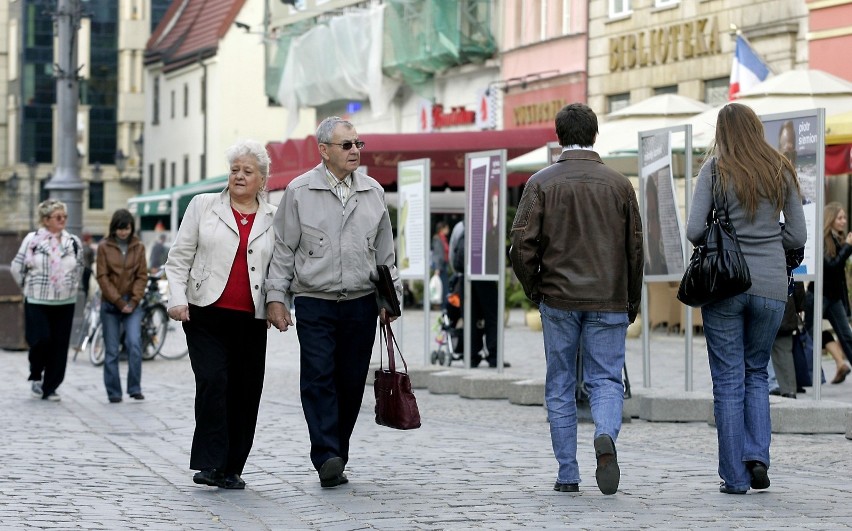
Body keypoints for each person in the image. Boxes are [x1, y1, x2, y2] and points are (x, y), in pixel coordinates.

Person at [509, 102, 643, 495]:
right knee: (605, 378)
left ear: (558, 135)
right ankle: (604, 434)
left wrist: (536, 288)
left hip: (558, 299)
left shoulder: (541, 183)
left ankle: (568, 473)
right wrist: (631, 300)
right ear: (596, 135)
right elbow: (635, 249)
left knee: (561, 382)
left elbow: (520, 245)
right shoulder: (620, 185)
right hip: (608, 298)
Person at [265, 116, 402, 489]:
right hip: (315, 301)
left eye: (358, 144)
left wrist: (390, 300)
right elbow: (282, 250)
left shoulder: (373, 192)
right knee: (318, 377)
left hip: (360, 302)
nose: (355, 150)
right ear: (323, 150)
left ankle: (337, 452)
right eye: (347, 145)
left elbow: (386, 256)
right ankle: (326, 454)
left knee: (352, 381)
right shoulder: (298, 191)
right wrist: (276, 298)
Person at [686, 103, 806, 495]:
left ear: (721, 132)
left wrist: (724, 242)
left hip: (725, 285)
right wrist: (769, 242)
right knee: (756, 372)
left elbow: (692, 230)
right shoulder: (780, 169)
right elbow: (798, 237)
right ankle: (757, 458)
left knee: (727, 380)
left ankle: (734, 478)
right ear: (757, 129)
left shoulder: (715, 170)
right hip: (771, 286)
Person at [164, 139, 278, 490]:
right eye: (234, 170)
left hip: (251, 317)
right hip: (205, 312)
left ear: (262, 178)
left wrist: (278, 302)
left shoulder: (274, 217)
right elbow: (179, 256)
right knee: (214, 382)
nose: (239, 176)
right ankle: (211, 463)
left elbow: (281, 267)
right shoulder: (203, 206)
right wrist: (177, 298)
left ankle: (232, 468)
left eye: (247, 171)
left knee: (245, 391)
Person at [10, 199, 84, 401]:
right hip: (37, 299)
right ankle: (36, 374)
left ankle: (50, 387)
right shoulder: (32, 241)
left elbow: (79, 267)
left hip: (65, 301)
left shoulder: (73, 242)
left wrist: (71, 286)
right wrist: (27, 288)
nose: (63, 220)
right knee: (41, 339)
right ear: (45, 220)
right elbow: (17, 267)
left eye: (65, 217)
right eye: (58, 217)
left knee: (59, 346)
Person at [95, 209, 148, 403]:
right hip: (110, 304)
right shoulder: (103, 247)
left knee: (134, 344)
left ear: (131, 228)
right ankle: (114, 392)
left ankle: (134, 388)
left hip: (132, 303)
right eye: (120, 229)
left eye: (126, 229)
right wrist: (118, 301)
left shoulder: (138, 247)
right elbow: (102, 276)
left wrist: (133, 301)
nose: (124, 233)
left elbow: (142, 275)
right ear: (114, 228)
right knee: (111, 350)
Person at [805, 202, 852, 385]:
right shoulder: (823, 239)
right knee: (811, 332)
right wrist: (848, 247)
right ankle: (837, 364)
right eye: (840, 218)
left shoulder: (838, 239)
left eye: (844, 218)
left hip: (833, 298)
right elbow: (831, 267)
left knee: (846, 335)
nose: (843, 221)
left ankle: (841, 363)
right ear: (830, 219)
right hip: (818, 295)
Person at [448, 220, 506, 368]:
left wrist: (459, 274)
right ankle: (494, 357)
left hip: (465, 277)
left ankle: (471, 356)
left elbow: (452, 254)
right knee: (492, 316)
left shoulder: (460, 226)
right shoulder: (491, 223)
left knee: (469, 317)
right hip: (486, 275)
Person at [769, 282, 804, 398]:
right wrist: (798, 306)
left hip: (758, 304)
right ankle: (789, 391)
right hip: (785, 307)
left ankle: (769, 387)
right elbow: (798, 281)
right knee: (784, 352)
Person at [431, 221, 450, 310]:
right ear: (442, 229)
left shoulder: (443, 239)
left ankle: (445, 305)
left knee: (444, 286)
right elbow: (438, 254)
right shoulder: (438, 239)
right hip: (440, 266)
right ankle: (443, 306)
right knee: (442, 286)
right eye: (446, 228)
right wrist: (437, 268)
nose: (448, 230)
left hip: (444, 265)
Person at [80, 231, 96, 301]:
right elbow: (92, 261)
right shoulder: (90, 249)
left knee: (82, 285)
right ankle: (85, 299)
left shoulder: (80, 247)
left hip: (81, 269)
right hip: (87, 269)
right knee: (86, 286)